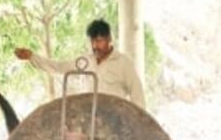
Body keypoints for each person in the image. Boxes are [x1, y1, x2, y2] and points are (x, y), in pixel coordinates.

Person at [14, 19, 146, 109]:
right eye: (93, 41)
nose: (95, 46)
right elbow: (58, 67)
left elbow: (137, 95)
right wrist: (32, 56)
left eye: (99, 41)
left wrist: (136, 125)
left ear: (109, 39)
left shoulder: (123, 63)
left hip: (114, 122)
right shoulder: (85, 62)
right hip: (87, 120)